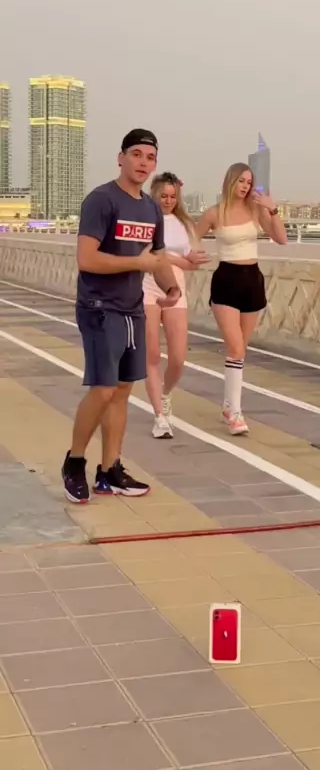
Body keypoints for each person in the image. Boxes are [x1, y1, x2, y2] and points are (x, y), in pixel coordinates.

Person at [61, 129, 181, 504]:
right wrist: (137, 264)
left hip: (133, 309)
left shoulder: (150, 209)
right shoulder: (101, 200)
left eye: (150, 157)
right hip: (99, 307)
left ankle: (109, 471)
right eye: (137, 154)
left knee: (123, 390)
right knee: (104, 388)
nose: (143, 162)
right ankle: (74, 462)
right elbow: (86, 259)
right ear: (121, 157)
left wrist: (171, 288)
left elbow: (155, 258)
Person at [195, 162, 287, 435]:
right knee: (236, 349)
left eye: (249, 182)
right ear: (230, 181)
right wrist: (189, 258)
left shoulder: (256, 210)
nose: (245, 186)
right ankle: (235, 413)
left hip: (252, 281)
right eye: (241, 181)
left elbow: (281, 238)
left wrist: (272, 208)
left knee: (240, 351)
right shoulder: (214, 213)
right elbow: (190, 238)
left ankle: (228, 406)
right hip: (226, 281)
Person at [143, 171, 210, 438]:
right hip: (147, 287)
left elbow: (192, 263)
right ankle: (159, 416)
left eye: (173, 196)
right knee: (151, 355)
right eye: (164, 196)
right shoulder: (146, 219)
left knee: (178, 358)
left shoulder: (184, 224)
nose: (168, 200)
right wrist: (175, 258)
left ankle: (166, 394)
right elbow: (146, 255)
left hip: (176, 288)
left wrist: (171, 258)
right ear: (154, 195)